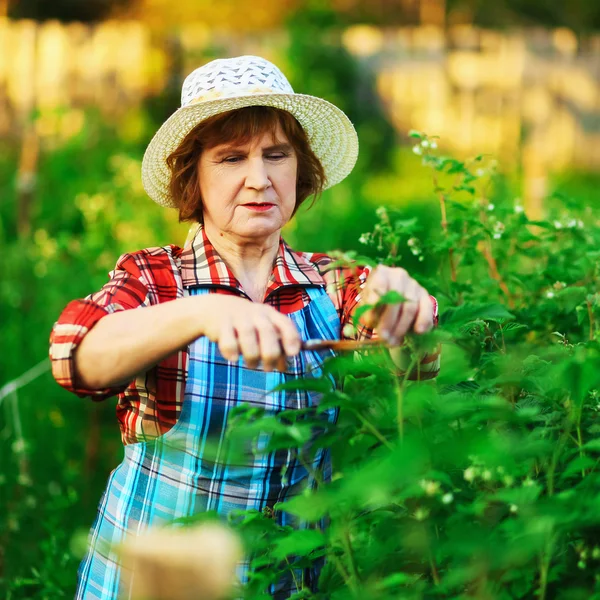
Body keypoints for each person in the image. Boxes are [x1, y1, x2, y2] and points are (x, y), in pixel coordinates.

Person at [49, 55, 440, 600]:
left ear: (298, 169)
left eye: (276, 155)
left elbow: (414, 362)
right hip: (159, 581)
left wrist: (402, 308)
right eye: (231, 158)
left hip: (282, 582)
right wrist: (202, 313)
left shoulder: (328, 282)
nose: (259, 179)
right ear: (194, 177)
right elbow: (75, 356)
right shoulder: (157, 279)